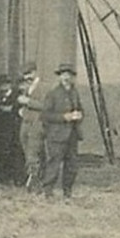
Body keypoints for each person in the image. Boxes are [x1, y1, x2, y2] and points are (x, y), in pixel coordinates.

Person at [39, 61, 85, 198]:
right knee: (54, 163)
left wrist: (80, 115)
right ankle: (47, 191)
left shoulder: (74, 93)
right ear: (59, 77)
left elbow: (81, 109)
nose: (66, 78)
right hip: (56, 136)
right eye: (63, 74)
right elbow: (45, 115)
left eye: (69, 75)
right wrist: (64, 117)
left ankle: (67, 190)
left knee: (72, 165)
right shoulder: (53, 94)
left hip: (72, 135)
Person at [15, 64, 45, 191]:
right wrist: (22, 110)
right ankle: (32, 176)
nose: (27, 77)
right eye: (25, 74)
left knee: (33, 151)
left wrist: (28, 102)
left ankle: (35, 180)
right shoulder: (27, 87)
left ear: (35, 72)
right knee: (26, 150)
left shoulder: (42, 87)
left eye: (29, 73)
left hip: (36, 123)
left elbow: (45, 105)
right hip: (26, 122)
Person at [0, 74, 25, 185]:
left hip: (14, 130)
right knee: (2, 153)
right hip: (1, 131)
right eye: (1, 85)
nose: (3, 87)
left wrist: (10, 109)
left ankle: (18, 178)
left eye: (6, 85)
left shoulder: (17, 96)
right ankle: (4, 178)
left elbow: (18, 110)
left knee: (16, 153)